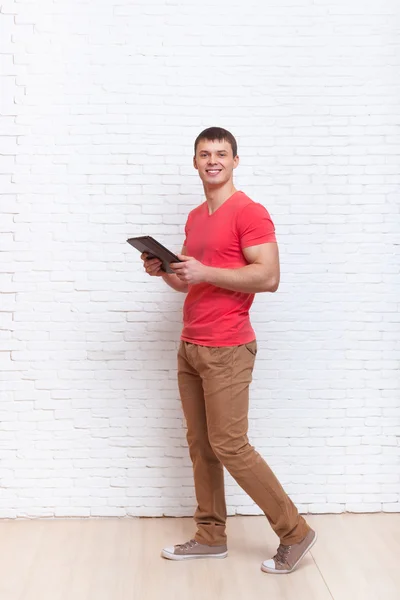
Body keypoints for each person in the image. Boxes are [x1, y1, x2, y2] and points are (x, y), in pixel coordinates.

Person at [141, 127, 317, 574]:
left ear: (236, 160)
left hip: (228, 347)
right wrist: (162, 270)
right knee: (201, 445)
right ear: (195, 162)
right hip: (191, 345)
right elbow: (187, 279)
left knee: (230, 444)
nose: (212, 160)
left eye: (221, 153)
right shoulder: (197, 216)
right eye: (204, 154)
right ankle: (210, 536)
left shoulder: (250, 212)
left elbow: (268, 277)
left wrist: (206, 271)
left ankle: (295, 532)